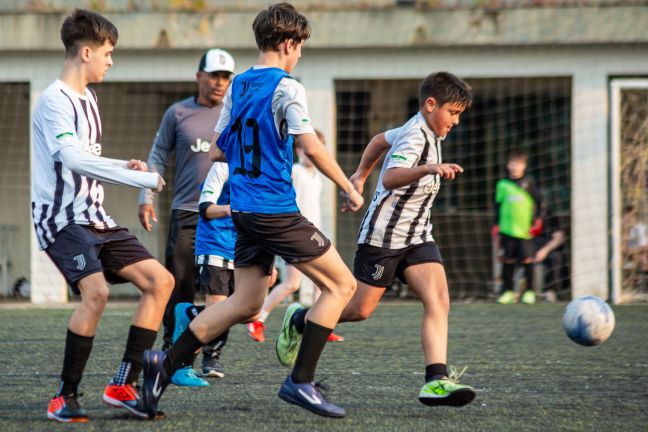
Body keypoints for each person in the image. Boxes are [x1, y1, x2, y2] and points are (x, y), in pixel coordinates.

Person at [142, 3, 364, 419]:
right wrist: (349, 184)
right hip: (274, 209)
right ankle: (301, 381)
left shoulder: (239, 85)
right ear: (287, 42)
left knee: (244, 303)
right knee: (342, 287)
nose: (299, 56)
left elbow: (220, 148)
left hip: (243, 210)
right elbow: (310, 145)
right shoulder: (287, 86)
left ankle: (165, 364)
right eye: (299, 48)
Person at [32, 9, 174, 423]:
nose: (111, 61)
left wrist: (124, 167)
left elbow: (89, 160)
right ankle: (64, 396)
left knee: (160, 281)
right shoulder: (53, 101)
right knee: (97, 293)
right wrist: (140, 179)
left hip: (96, 216)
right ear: (87, 52)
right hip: (60, 220)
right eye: (108, 53)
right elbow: (72, 159)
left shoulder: (90, 99)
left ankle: (122, 385)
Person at [334, 72, 477, 407]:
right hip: (383, 237)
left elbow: (379, 140)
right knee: (358, 310)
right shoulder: (416, 134)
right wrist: (429, 169)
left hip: (417, 235)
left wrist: (359, 173)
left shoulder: (424, 127)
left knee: (439, 300)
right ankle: (301, 318)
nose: (455, 121)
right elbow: (392, 176)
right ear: (431, 105)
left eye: (459, 115)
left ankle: (436, 380)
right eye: (452, 113)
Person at [137, 48, 235, 351]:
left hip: (224, 216)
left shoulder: (236, 114)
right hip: (187, 214)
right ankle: (171, 346)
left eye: (225, 77)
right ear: (199, 76)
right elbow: (157, 155)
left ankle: (211, 353)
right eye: (214, 76)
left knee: (225, 290)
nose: (219, 83)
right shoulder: (177, 113)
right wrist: (146, 195)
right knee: (180, 284)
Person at [171, 161, 278, 385]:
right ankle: (193, 362)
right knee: (216, 309)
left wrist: (271, 261)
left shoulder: (264, 167)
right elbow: (205, 208)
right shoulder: (222, 166)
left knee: (249, 312)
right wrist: (233, 208)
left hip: (245, 248)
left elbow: (266, 216)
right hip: (215, 243)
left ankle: (189, 313)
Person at [247, 130, 344, 343]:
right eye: (307, 149)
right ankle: (258, 319)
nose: (311, 154)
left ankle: (320, 324)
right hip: (294, 236)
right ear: (299, 150)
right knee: (292, 285)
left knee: (323, 283)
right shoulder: (296, 171)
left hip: (313, 236)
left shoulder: (316, 176)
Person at [492, 151, 544, 305]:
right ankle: (507, 292)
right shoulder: (502, 184)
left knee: (527, 260)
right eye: (512, 163)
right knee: (507, 260)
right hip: (507, 229)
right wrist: (495, 224)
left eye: (518, 164)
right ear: (508, 165)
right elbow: (497, 205)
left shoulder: (529, 183)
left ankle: (529, 292)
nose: (515, 167)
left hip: (525, 230)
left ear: (524, 166)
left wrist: (537, 220)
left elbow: (539, 202)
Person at [533, 206, 566, 302]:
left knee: (556, 257)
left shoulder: (548, 216)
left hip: (545, 251)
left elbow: (559, 237)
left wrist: (545, 250)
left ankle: (550, 291)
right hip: (527, 251)